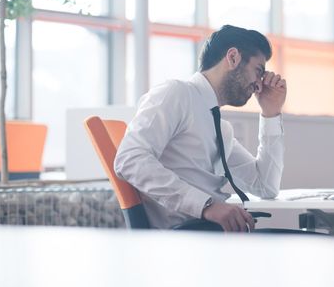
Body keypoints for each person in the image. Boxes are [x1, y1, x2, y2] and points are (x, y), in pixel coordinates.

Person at [115, 24, 287, 232]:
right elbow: (129, 159)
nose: (259, 85)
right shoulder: (176, 94)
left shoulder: (220, 128)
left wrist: (271, 113)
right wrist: (206, 205)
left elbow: (265, 186)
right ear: (232, 58)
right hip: (186, 237)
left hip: (207, 234)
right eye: (258, 71)